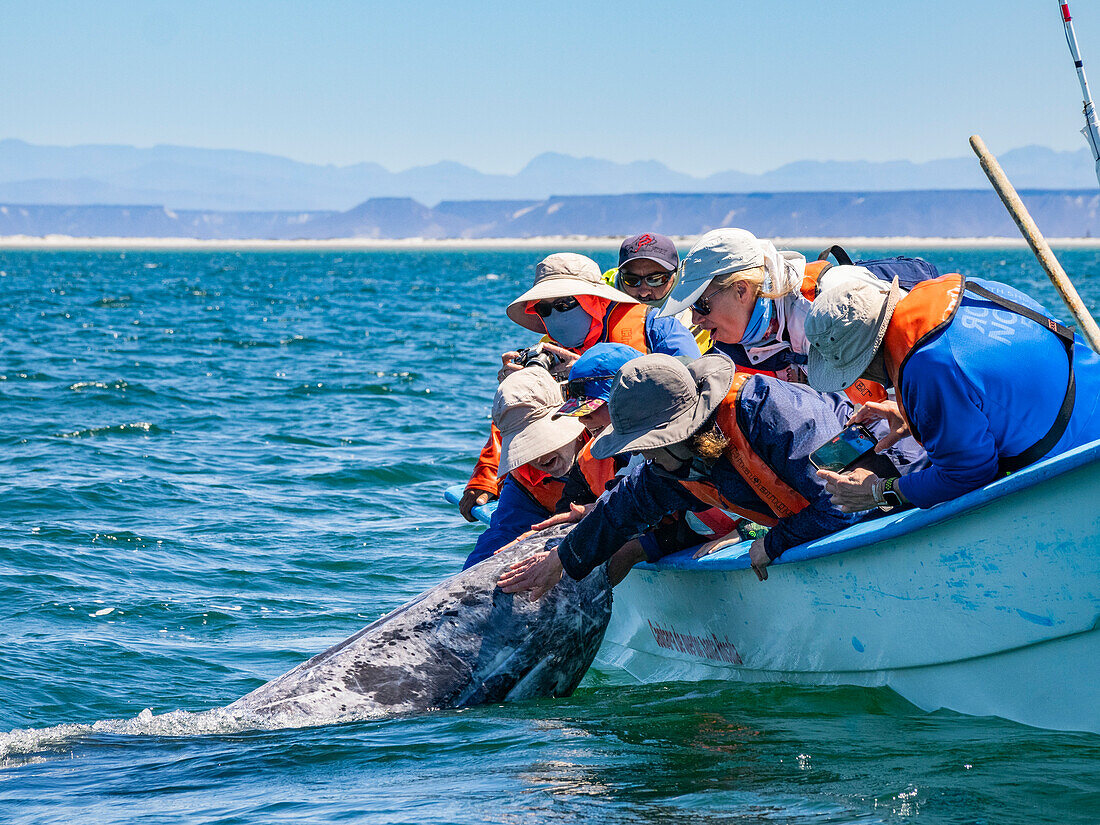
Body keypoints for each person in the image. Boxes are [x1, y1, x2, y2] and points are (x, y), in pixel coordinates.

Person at [498, 353, 923, 599]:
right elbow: (621, 509)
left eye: (649, 446)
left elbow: (840, 503)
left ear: (683, 429)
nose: (644, 459)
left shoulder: (773, 415)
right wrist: (561, 560)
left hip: (899, 498)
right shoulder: (671, 463)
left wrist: (770, 543)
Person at [802, 272, 1100, 512]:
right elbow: (995, 380)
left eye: (856, 371)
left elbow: (967, 474)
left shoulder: (929, 368)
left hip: (1079, 466)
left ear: (867, 359)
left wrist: (879, 492)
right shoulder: (968, 290)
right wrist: (915, 415)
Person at [460, 252, 700, 520]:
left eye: (564, 304)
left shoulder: (654, 327)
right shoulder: (545, 351)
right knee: (493, 551)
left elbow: (691, 389)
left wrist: (588, 372)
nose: (554, 315)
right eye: (544, 308)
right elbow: (517, 417)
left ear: (594, 300)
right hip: (544, 482)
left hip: (631, 470)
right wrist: (487, 475)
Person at [659, 228, 895, 392]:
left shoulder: (828, 307)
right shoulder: (732, 341)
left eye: (701, 303)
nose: (696, 318)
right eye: (690, 306)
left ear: (741, 290)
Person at [462, 368, 615, 569]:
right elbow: (503, 536)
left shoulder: (611, 439)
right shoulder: (524, 475)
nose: (539, 457)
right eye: (525, 447)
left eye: (543, 441)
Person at [610, 233, 711, 352]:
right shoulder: (598, 307)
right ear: (619, 277)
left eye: (656, 280)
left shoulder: (703, 316)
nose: (643, 292)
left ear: (676, 276)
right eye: (632, 280)